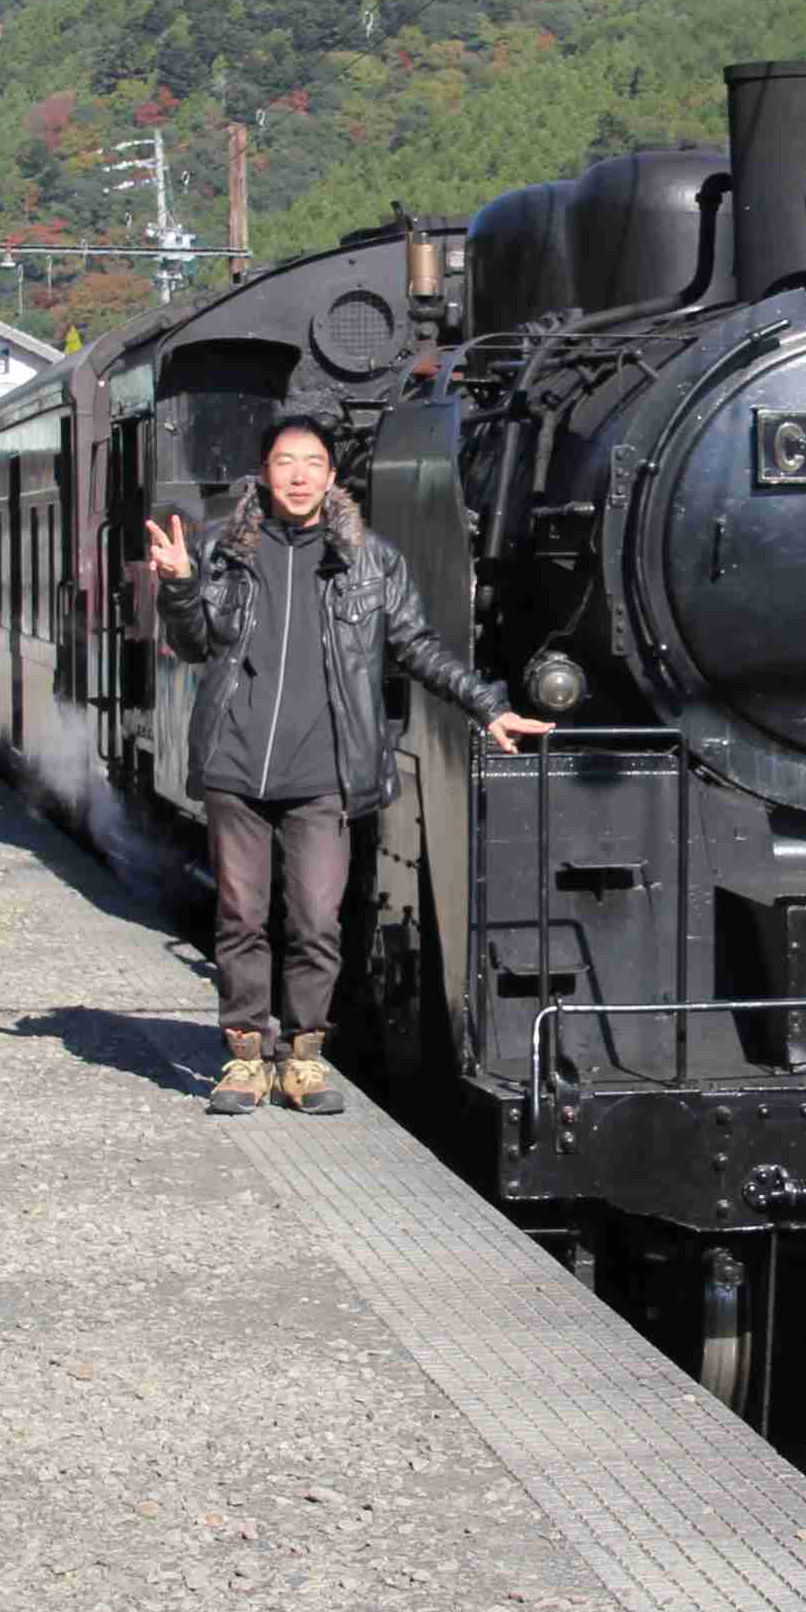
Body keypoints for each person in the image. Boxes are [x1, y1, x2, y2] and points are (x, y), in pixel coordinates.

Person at [151, 415, 550, 1115]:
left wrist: (487, 705)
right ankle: (246, 1056)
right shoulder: (222, 552)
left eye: (312, 462)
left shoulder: (373, 561)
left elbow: (418, 645)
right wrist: (180, 584)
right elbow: (193, 645)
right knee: (241, 916)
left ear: (332, 476)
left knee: (314, 921)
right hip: (235, 767)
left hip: (326, 773)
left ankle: (302, 1056)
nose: (299, 474)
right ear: (264, 473)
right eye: (284, 461)